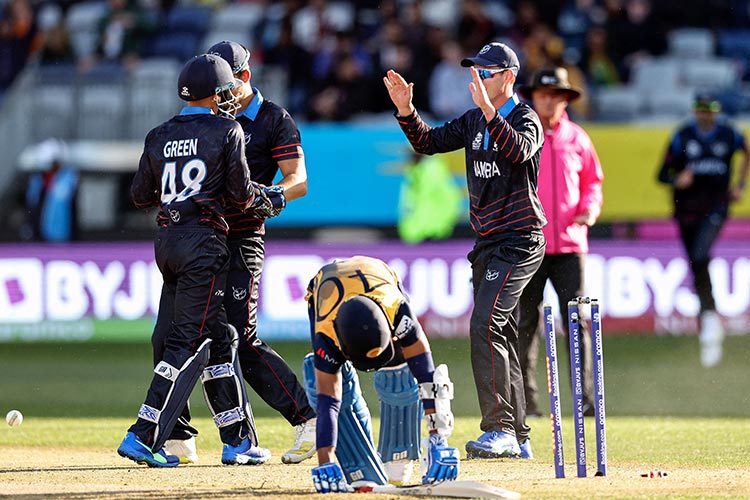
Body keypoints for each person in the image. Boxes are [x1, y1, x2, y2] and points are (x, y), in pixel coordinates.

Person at [156, 40, 317, 465]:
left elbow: (298, 179)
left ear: (244, 78)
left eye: (227, 82)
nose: (220, 92)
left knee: (241, 338)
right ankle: (177, 435)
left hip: (241, 239)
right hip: (197, 241)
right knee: (169, 336)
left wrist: (271, 196)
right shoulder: (206, 120)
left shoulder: (272, 119)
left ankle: (309, 420)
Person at [383, 42, 546, 460]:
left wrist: (491, 114)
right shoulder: (474, 119)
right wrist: (406, 110)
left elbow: (518, 150)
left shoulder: (526, 118)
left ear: (508, 76)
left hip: (521, 240)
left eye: (485, 73)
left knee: (484, 326)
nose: (476, 79)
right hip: (488, 243)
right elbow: (429, 142)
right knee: (501, 332)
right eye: (474, 72)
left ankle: (499, 429)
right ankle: (518, 436)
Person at [117, 53, 271, 467]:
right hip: (204, 244)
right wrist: (267, 200)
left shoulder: (158, 134)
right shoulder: (227, 129)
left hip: (167, 242)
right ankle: (144, 435)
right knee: (187, 342)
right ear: (218, 93)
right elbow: (241, 196)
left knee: (220, 339)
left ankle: (238, 440)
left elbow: (139, 197)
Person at [303, 256, 460, 492]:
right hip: (327, 288)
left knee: (401, 368)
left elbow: (426, 375)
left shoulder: (398, 311)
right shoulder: (326, 333)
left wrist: (438, 437)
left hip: (379, 279)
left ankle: (398, 455)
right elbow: (328, 403)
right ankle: (359, 466)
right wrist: (326, 461)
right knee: (332, 387)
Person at [516, 67, 604, 418]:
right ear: (533, 97)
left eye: (556, 95)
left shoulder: (578, 138)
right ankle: (527, 404)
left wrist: (589, 209)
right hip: (529, 245)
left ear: (565, 99)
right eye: (543, 95)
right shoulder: (521, 136)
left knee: (577, 321)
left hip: (570, 247)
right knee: (525, 322)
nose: (549, 101)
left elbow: (593, 183)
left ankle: (583, 401)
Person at [657, 92, 749, 368]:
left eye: (710, 110)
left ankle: (709, 318)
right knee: (697, 262)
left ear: (717, 112)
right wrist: (678, 179)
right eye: (701, 110)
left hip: (716, 208)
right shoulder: (682, 137)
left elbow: (747, 150)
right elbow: (662, 174)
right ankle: (708, 317)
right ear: (695, 111)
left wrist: (740, 184)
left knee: (700, 255)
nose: (706, 115)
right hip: (686, 210)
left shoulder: (728, 135)